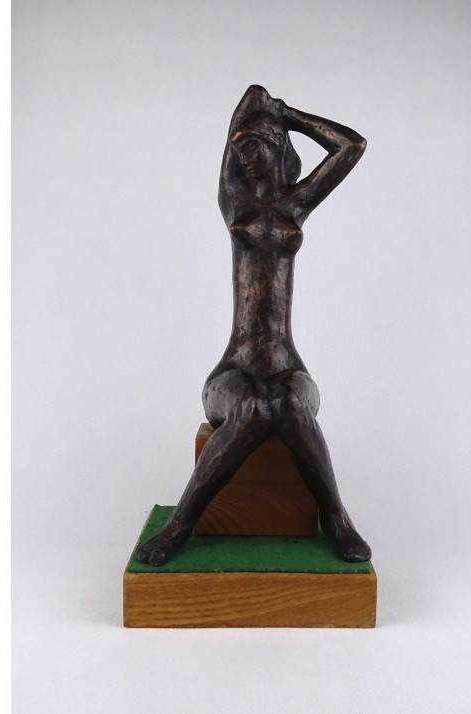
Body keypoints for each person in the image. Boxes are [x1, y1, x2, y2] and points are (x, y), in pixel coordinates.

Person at [135, 85, 371, 565]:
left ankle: (336, 518)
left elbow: (351, 146)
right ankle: (180, 525)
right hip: (233, 370)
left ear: (280, 148)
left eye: (257, 145)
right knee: (250, 406)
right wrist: (257, 105)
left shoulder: (295, 205)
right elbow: (246, 106)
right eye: (240, 147)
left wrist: (288, 115)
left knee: (286, 402)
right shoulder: (235, 206)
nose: (245, 156)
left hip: (287, 367)